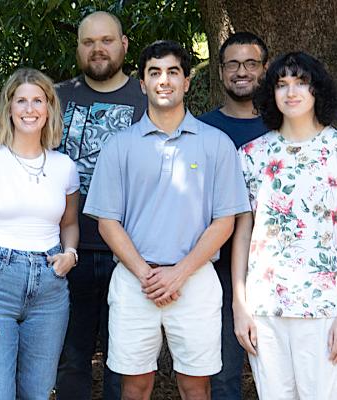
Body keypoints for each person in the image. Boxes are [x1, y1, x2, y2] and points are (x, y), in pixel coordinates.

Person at [84, 40, 249, 400]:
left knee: (195, 384)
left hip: (195, 278)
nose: (164, 81)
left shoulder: (216, 144)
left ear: (187, 81)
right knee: (135, 384)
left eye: (173, 72)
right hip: (133, 281)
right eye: (154, 73)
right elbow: (107, 222)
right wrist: (147, 275)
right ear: (142, 83)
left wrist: (179, 273)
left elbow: (225, 222)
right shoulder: (119, 145)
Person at [233, 51, 337, 399]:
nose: (291, 92)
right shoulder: (251, 154)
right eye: (281, 84)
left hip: (326, 308)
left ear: (317, 90)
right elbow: (243, 233)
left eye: (301, 82)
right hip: (265, 307)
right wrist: (240, 305)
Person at [0, 68, 80, 400]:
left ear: (49, 108)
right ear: (9, 108)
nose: (29, 109)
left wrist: (70, 254)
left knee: (37, 393)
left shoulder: (64, 167)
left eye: (37, 101)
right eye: (21, 101)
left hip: (50, 289)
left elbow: (69, 223)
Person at [54, 11, 147, 400]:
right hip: (65, 249)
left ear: (124, 45)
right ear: (78, 48)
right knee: (70, 357)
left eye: (106, 40)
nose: (97, 49)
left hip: (125, 251)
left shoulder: (147, 99)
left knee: (121, 359)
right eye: (88, 42)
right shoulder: (55, 97)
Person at [196, 31, 270, 400]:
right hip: (217, 268)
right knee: (223, 373)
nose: (242, 72)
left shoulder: (284, 127)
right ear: (221, 71)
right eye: (233, 64)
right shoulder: (200, 131)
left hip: (279, 268)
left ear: (265, 69)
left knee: (279, 372)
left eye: (251, 63)